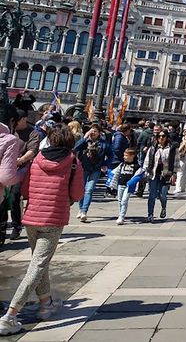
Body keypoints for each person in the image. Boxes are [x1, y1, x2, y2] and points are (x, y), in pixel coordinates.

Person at [0, 125, 84, 335]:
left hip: (31, 219)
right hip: (53, 220)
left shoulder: (36, 159)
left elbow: (26, 189)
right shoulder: (73, 162)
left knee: (40, 263)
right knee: (37, 266)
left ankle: (46, 304)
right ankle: (10, 315)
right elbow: (78, 193)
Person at [1, 108, 35, 245]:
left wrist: (20, 162)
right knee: (3, 204)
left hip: (20, 168)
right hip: (10, 174)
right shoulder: (10, 136)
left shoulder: (33, 133)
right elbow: (6, 177)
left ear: (24, 119)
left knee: (14, 198)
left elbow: (32, 150)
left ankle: (16, 225)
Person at [72, 126, 108, 223]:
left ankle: (84, 211)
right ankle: (80, 208)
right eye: (91, 131)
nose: (93, 133)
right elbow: (75, 148)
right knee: (81, 189)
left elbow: (111, 155)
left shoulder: (103, 144)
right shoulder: (84, 142)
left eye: (95, 131)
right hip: (83, 167)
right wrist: (85, 137)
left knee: (89, 189)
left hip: (95, 169)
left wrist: (105, 164)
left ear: (99, 133)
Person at [143, 131, 177, 222]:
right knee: (152, 195)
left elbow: (176, 162)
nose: (161, 138)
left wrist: (174, 174)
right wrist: (145, 171)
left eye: (163, 136)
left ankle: (163, 207)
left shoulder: (172, 148)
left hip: (166, 174)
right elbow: (147, 159)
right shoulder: (153, 147)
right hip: (153, 173)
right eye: (159, 136)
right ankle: (150, 214)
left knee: (162, 194)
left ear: (167, 137)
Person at [113, 147, 143, 224]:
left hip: (128, 186)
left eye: (126, 155)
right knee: (119, 200)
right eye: (124, 155)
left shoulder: (136, 166)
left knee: (124, 200)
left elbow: (139, 175)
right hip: (120, 185)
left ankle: (121, 216)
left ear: (132, 156)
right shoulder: (122, 164)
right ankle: (120, 213)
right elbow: (115, 173)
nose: (124, 157)